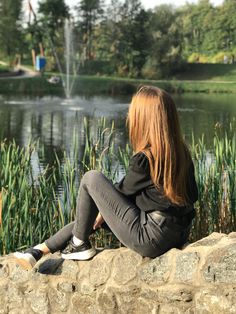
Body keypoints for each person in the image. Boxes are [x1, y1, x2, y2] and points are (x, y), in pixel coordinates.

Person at [14, 85, 198, 268]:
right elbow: (192, 196)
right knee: (89, 219)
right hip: (177, 233)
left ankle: (78, 244)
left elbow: (120, 192)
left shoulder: (145, 159)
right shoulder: (182, 154)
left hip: (151, 238)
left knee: (91, 178)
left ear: (143, 120)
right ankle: (38, 251)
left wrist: (105, 208)